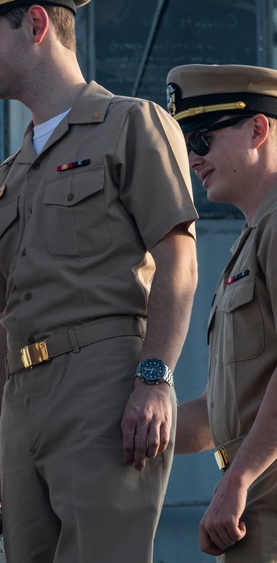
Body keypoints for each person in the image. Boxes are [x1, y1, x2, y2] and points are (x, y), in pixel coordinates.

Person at [0, 0, 198, 563]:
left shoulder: (131, 126)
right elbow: (2, 326)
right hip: (22, 404)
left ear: (36, 23)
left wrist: (155, 378)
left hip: (104, 385)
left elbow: (179, 261)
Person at [169, 64, 277, 560]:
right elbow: (216, 414)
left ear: (258, 129)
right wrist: (116, 426)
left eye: (202, 137)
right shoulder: (250, 241)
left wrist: (238, 476)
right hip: (251, 500)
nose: (193, 158)